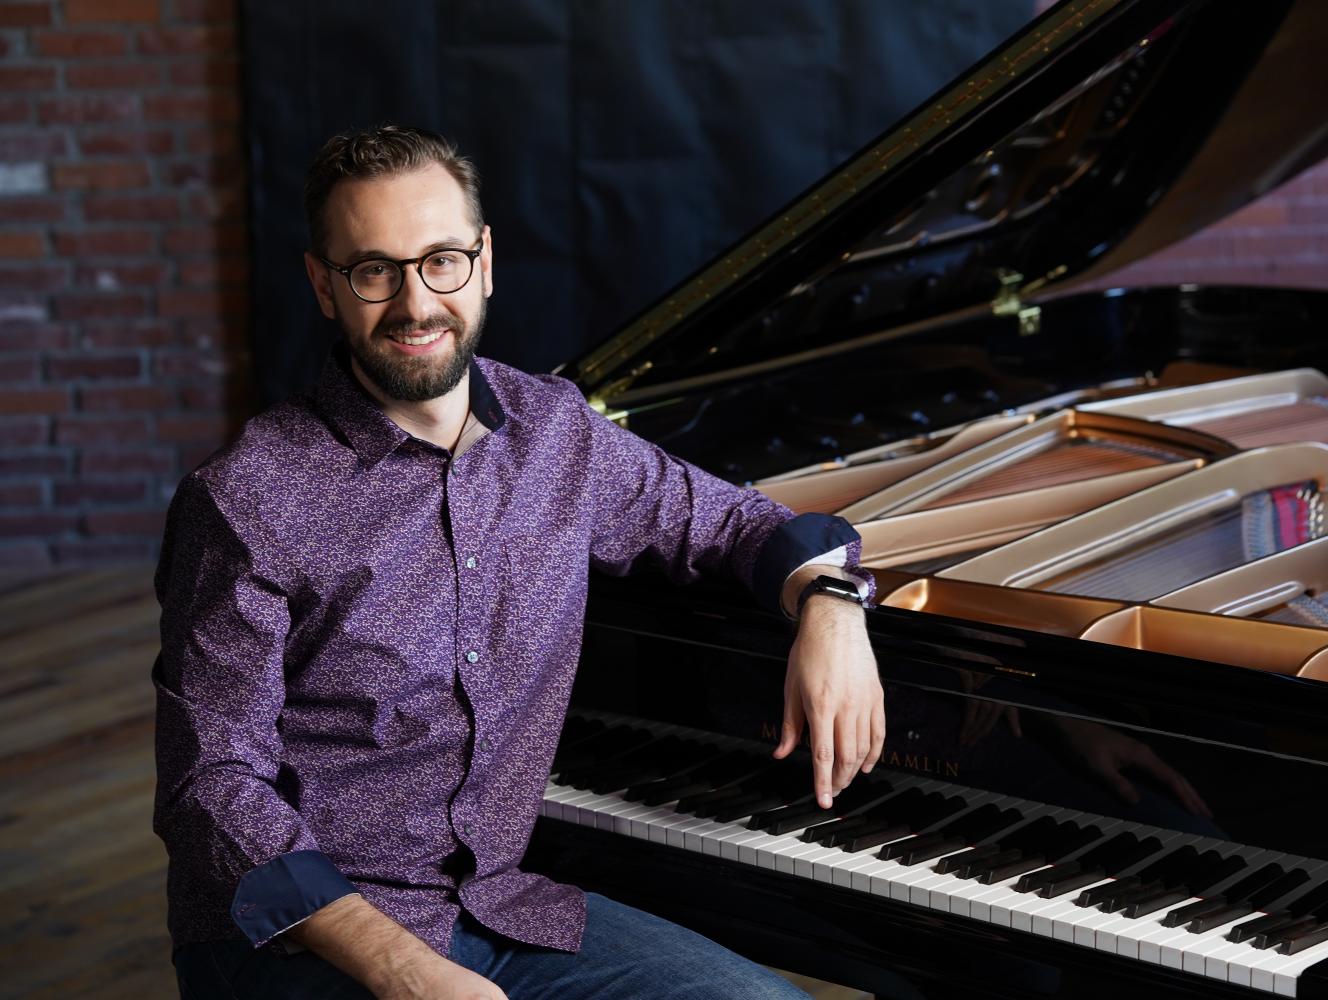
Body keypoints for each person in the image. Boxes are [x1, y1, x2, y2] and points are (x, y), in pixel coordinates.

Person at [155, 125, 886, 1000]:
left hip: (498, 909)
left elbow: (739, 524)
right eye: (374, 270)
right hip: (298, 940)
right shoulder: (245, 499)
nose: (416, 303)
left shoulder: (558, 435)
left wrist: (834, 605)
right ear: (324, 284)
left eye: (441, 261)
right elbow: (212, 785)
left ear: (485, 260)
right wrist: (399, 967)